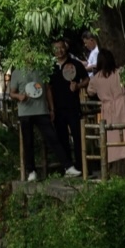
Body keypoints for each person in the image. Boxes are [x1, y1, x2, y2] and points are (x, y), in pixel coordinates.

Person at [85, 50, 125, 172]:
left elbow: (90, 91)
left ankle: (111, 168)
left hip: (108, 108)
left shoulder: (95, 79)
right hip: (124, 104)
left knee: (112, 136)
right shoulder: (121, 72)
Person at [7, 62, 66, 180]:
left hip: (42, 110)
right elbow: (11, 93)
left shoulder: (42, 69)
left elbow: (48, 89)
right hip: (25, 112)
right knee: (28, 142)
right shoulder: (17, 72)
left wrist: (52, 108)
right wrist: (19, 96)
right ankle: (31, 171)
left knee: (53, 138)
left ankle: (67, 166)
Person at [48, 37, 87, 173]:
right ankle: (67, 167)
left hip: (73, 106)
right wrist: (51, 109)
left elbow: (86, 79)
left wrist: (78, 86)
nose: (59, 51)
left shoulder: (75, 64)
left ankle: (81, 166)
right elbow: (48, 88)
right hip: (58, 109)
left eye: (61, 47)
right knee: (62, 138)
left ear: (66, 47)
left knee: (77, 137)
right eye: (56, 48)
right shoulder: (50, 67)